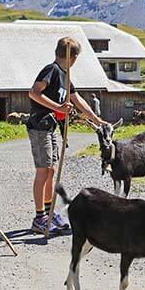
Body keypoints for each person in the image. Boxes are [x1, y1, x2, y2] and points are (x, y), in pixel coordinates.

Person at [27, 37, 105, 235]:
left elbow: (76, 99)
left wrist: (97, 120)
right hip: (40, 126)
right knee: (43, 170)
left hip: (50, 128)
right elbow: (34, 93)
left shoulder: (65, 75)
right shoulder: (51, 70)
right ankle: (39, 218)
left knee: (52, 170)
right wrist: (58, 107)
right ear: (74, 57)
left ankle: (49, 212)